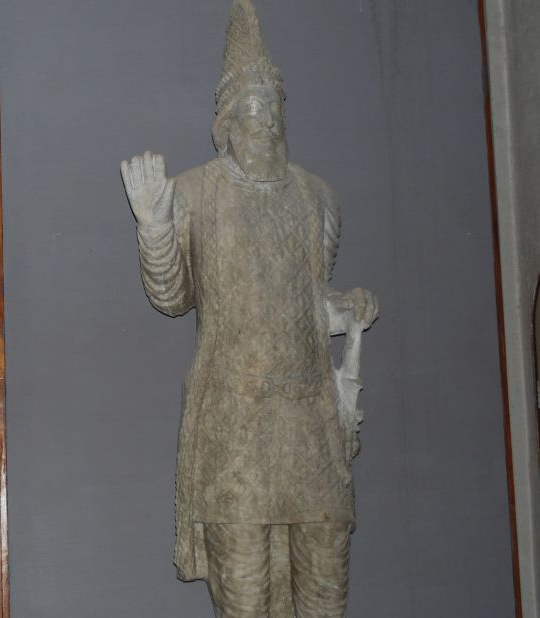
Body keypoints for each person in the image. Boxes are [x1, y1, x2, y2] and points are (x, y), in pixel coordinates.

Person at [120, 1, 376, 615]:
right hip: (233, 424)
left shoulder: (317, 198)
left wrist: (346, 307)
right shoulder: (195, 194)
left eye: (275, 107)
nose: (267, 122)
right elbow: (172, 296)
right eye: (254, 109)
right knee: (247, 599)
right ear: (226, 121)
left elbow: (312, 303)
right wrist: (155, 225)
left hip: (310, 424)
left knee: (323, 596)